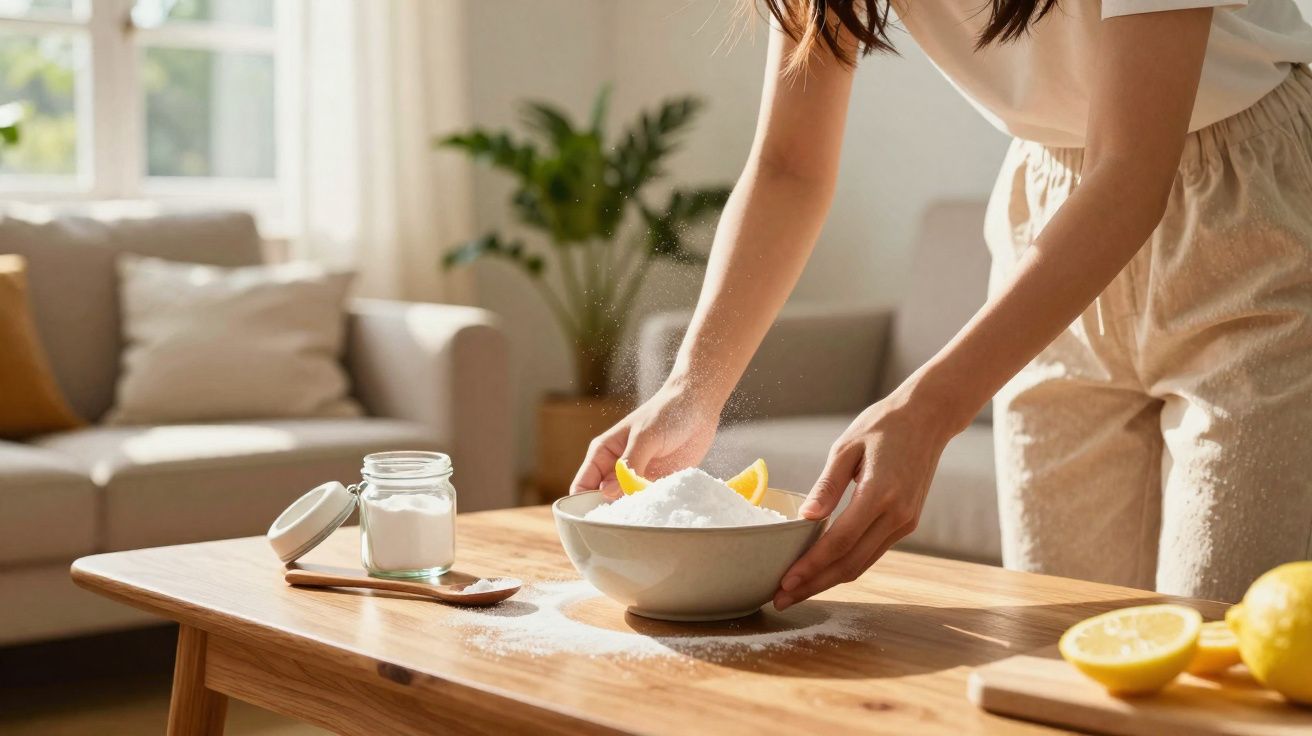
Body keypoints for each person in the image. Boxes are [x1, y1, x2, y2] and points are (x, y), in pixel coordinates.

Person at [571, 0, 1312, 607]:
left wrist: (930, 409)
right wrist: (693, 387)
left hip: (1249, 215)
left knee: (1220, 657)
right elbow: (789, 167)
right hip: (1047, 211)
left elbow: (1130, 173)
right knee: (1051, 650)